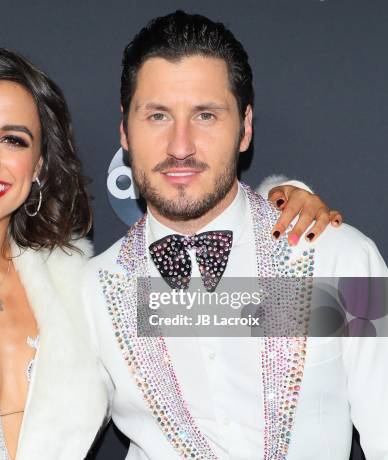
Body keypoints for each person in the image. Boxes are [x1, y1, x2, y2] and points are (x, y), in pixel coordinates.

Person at [0, 46, 336, 460]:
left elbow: (252, 311)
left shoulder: (86, 287)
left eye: (13, 139)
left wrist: (274, 203)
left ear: (38, 163)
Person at [83, 10, 388, 460]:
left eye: (205, 115)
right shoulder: (89, 293)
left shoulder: (342, 260)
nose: (180, 145)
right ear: (125, 132)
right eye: (157, 116)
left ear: (244, 128)